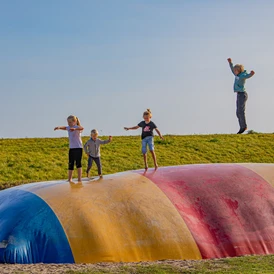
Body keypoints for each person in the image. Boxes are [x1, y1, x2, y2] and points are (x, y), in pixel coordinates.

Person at [227, 58, 255, 134]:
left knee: (240, 111)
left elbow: (247, 76)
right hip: (239, 95)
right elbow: (232, 69)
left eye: (236, 70)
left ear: (239, 70)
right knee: (238, 112)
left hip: (242, 94)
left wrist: (251, 74)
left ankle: (243, 127)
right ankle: (242, 126)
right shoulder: (236, 75)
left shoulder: (242, 75)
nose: (234, 71)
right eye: (235, 70)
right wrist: (230, 63)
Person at [54, 115, 84, 182]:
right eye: (68, 122)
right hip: (72, 148)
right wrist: (58, 127)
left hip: (78, 148)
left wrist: (75, 129)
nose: (69, 124)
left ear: (75, 121)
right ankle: (69, 179)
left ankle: (79, 179)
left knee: (78, 163)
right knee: (71, 163)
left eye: (70, 122)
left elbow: (82, 128)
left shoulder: (77, 127)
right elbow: (65, 128)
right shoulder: (68, 127)